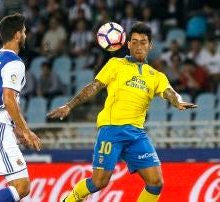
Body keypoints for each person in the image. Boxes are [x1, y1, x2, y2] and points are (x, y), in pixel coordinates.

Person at [48, 22, 197, 202]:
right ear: (127, 44)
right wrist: (69, 106)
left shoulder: (156, 76)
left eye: (143, 42)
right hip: (112, 129)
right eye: (134, 42)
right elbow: (94, 86)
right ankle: (70, 199)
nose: (138, 46)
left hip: (137, 134)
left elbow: (170, 92)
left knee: (156, 182)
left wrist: (178, 101)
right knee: (99, 182)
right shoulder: (115, 64)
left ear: (150, 45)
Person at [0, 13, 41, 202]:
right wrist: (26, 131)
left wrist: (15, 129)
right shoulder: (14, 62)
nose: (26, 35)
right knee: (22, 187)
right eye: (25, 31)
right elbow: (8, 100)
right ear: (18, 35)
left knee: (14, 187)